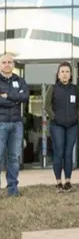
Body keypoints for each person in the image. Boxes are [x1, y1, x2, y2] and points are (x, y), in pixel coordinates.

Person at [45, 62, 79, 192]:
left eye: (67, 71)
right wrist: (54, 117)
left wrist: (76, 116)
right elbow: (47, 106)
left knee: (68, 153)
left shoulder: (75, 89)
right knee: (59, 152)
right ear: (58, 74)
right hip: (57, 125)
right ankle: (58, 182)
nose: (65, 74)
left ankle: (67, 181)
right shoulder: (52, 88)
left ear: (70, 74)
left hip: (72, 126)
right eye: (62, 72)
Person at [0, 54, 29, 196]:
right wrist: (15, 99)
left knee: (14, 157)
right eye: (4, 62)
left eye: (9, 62)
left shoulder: (20, 80)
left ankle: (12, 189)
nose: (7, 64)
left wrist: (7, 96)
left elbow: (25, 97)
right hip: (1, 123)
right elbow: (18, 98)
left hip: (17, 124)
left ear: (13, 64)